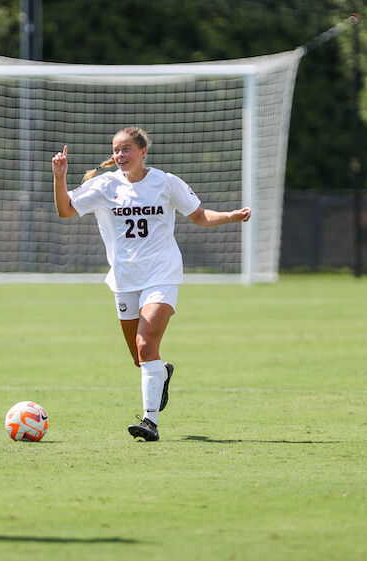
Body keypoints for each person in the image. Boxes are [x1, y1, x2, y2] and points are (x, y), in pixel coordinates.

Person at [51, 127, 251, 441]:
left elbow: (198, 216)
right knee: (140, 358)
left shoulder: (166, 182)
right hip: (124, 279)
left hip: (162, 273)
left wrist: (230, 215)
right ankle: (163, 372)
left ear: (143, 152)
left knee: (146, 346)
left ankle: (149, 423)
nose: (120, 155)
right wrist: (60, 176)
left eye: (127, 149)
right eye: (117, 150)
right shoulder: (104, 186)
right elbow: (64, 210)